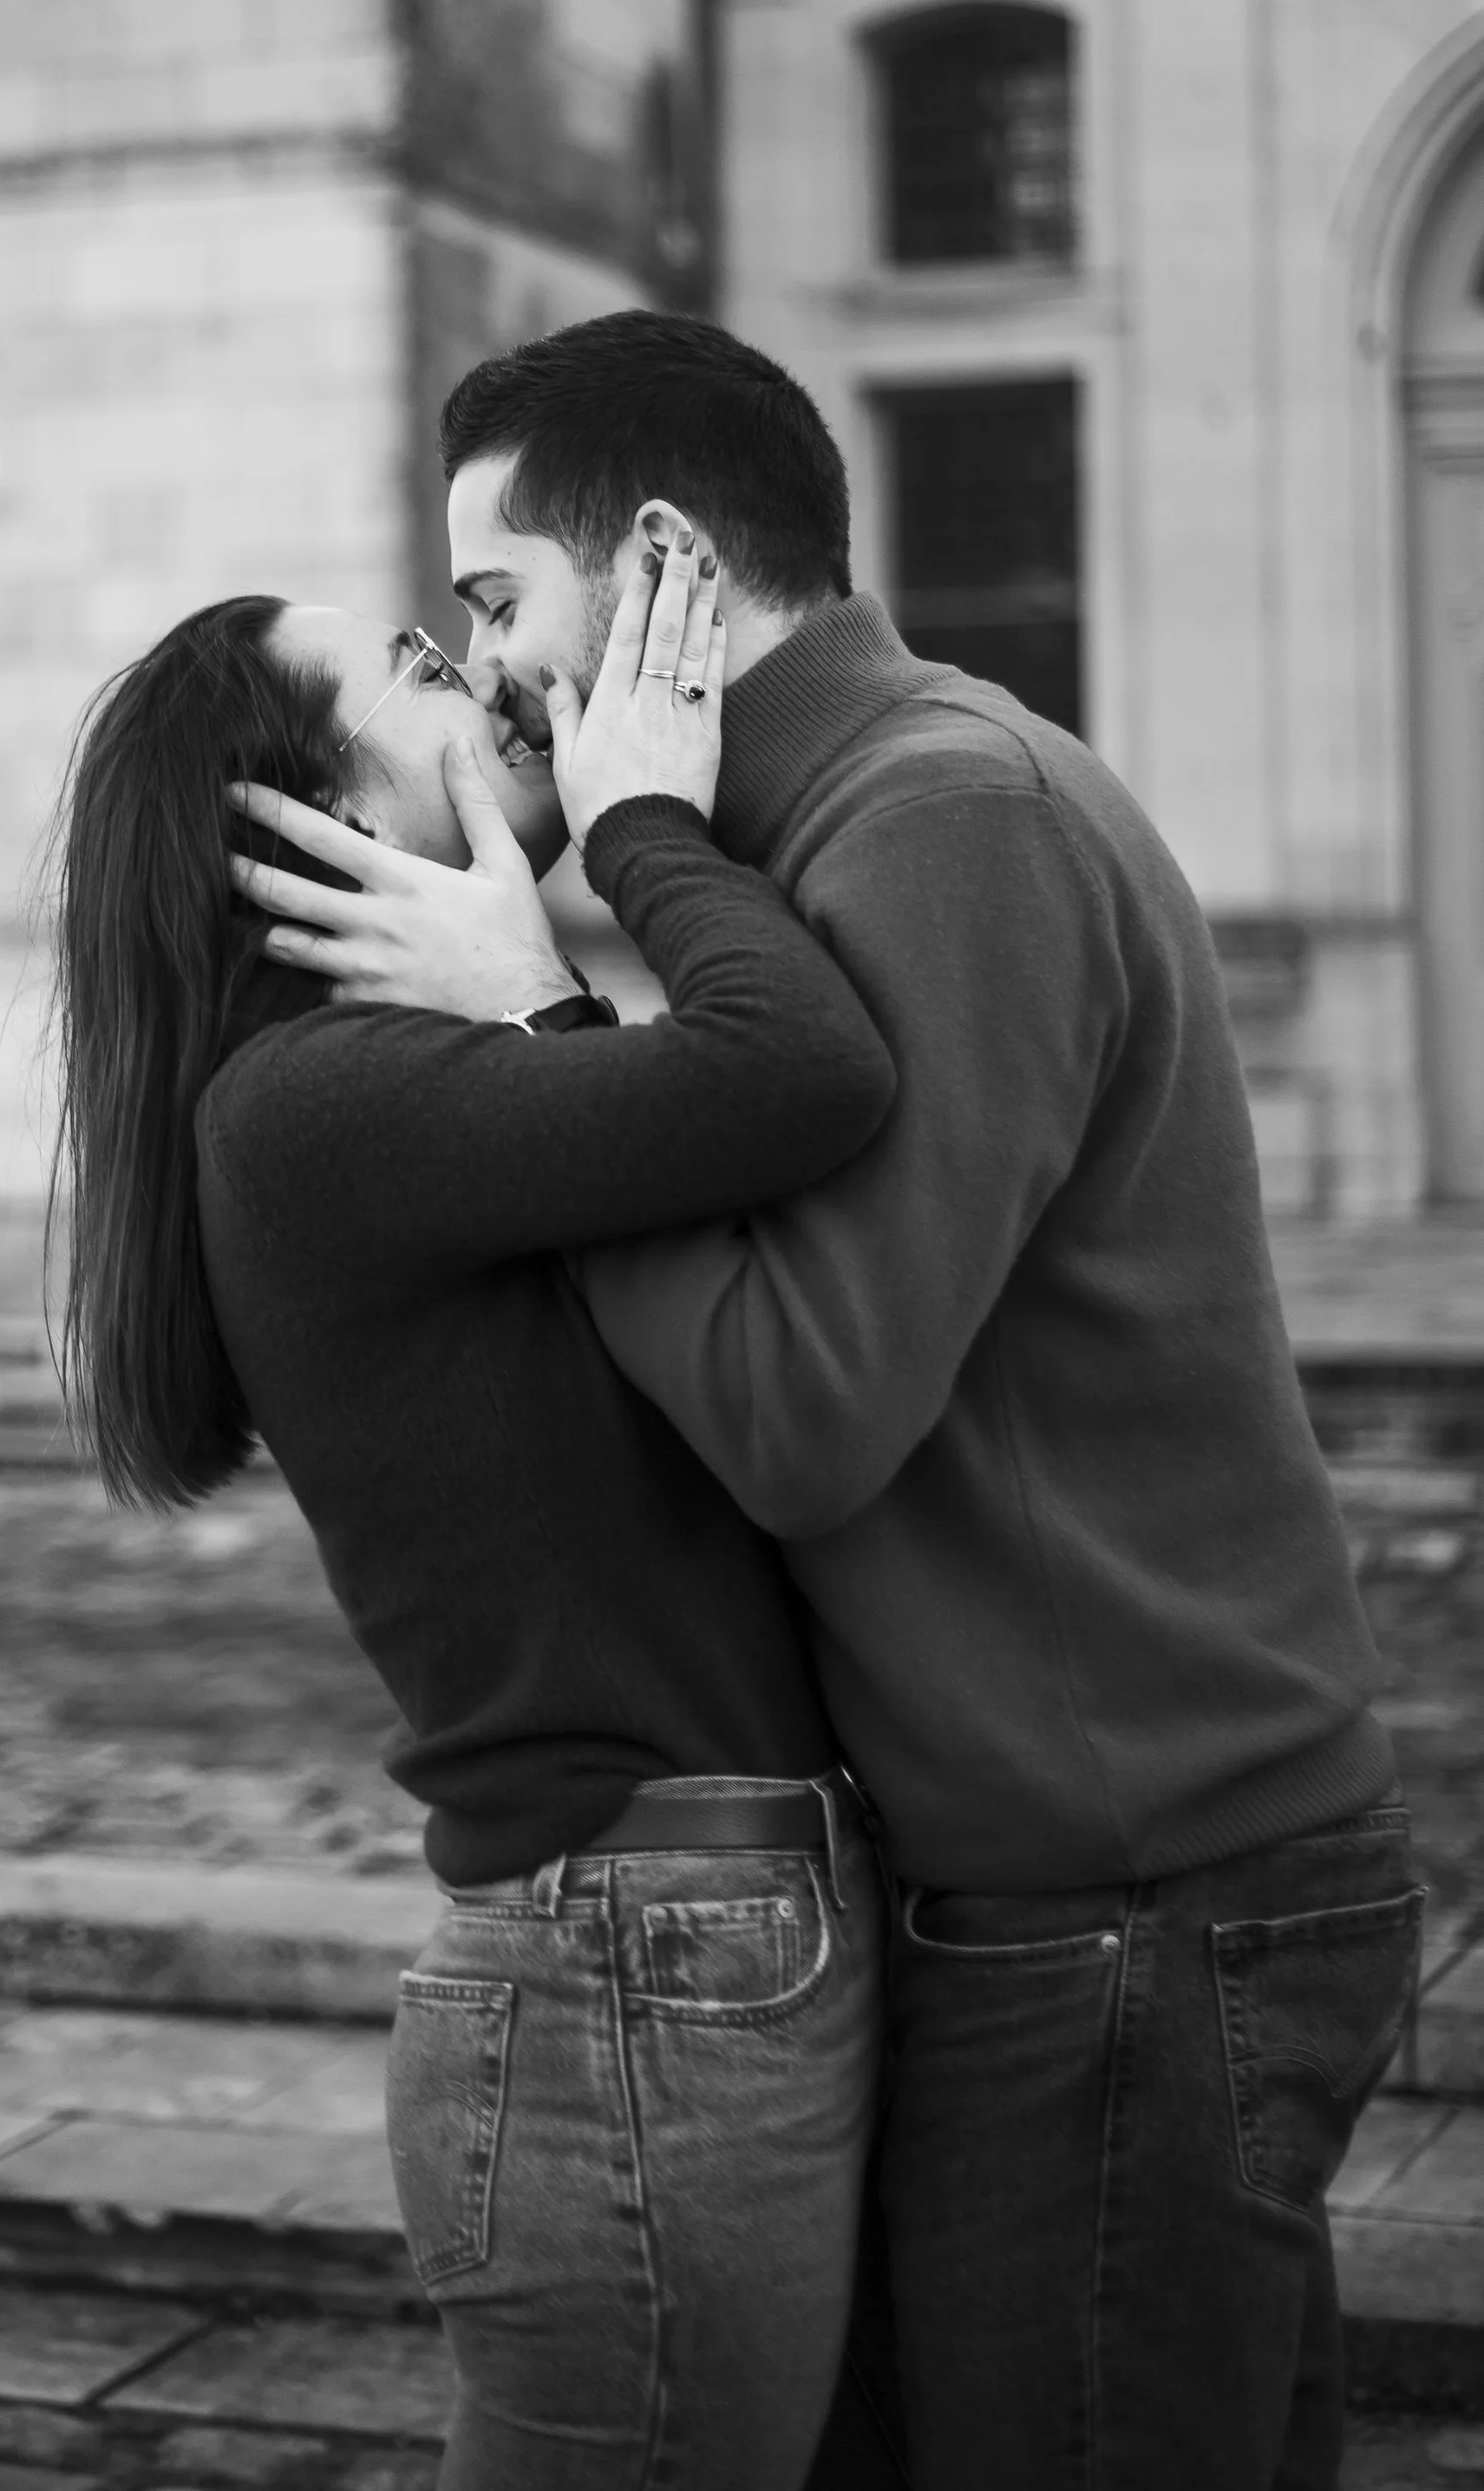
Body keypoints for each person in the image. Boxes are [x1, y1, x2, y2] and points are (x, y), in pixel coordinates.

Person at [245, 308, 1422, 2491]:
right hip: (1084, 1885)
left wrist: (540, 1040)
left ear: (663, 560)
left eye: (497, 601)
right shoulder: (831, 831)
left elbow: (801, 1415)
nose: (481, 666)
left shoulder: (936, 818)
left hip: (1136, 1900)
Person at [48, 539, 903, 2488]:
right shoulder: (321, 1103)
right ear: (327, 814)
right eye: (427, 669)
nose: (498, 686)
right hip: (642, 1969)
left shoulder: (383, 1090)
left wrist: (537, 985)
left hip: (675, 1951)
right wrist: (647, 826)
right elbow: (801, 1070)